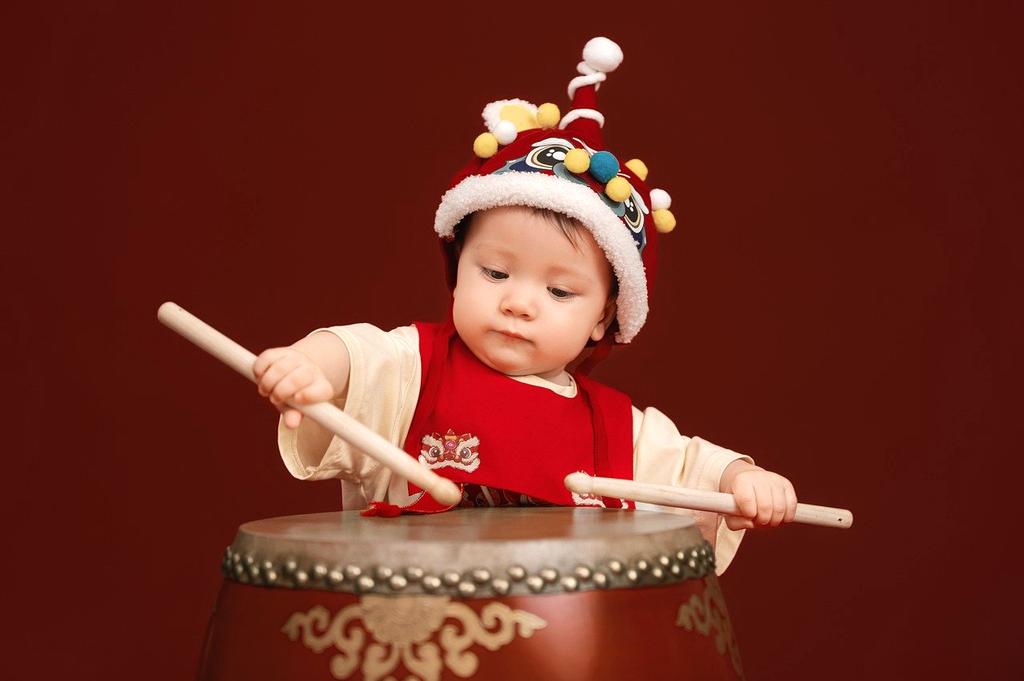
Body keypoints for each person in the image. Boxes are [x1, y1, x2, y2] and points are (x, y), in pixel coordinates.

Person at [253, 37, 796, 574]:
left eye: (559, 292)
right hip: (412, 639)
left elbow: (694, 468)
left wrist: (743, 481)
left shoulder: (613, 429)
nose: (518, 303)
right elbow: (354, 353)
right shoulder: (417, 370)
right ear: (457, 270)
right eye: (495, 273)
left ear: (602, 318)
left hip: (564, 647)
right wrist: (306, 365)